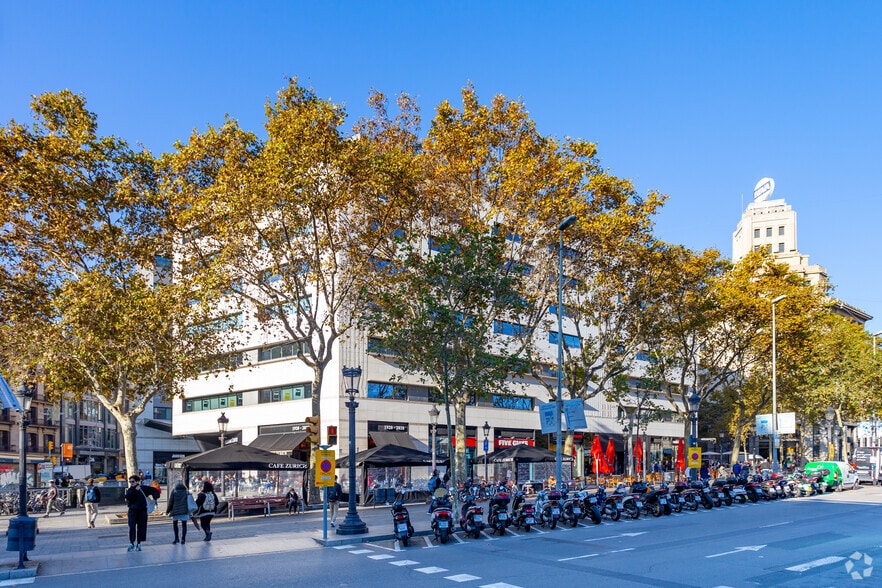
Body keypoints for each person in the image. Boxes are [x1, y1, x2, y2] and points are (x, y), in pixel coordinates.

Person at [124, 475, 160, 552]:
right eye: (130, 481)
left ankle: (139, 543)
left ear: (137, 481)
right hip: (132, 511)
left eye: (133, 481)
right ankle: (132, 543)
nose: (131, 483)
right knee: (131, 527)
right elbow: (129, 497)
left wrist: (154, 498)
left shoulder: (143, 488)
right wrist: (136, 491)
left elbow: (155, 491)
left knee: (141, 527)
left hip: (142, 511)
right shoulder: (130, 490)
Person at [166, 480, 191, 544]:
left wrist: (167, 511)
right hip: (184, 511)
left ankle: (176, 538)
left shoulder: (174, 491)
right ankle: (183, 539)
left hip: (175, 511)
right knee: (184, 525)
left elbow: (171, 502)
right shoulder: (186, 491)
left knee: (175, 525)